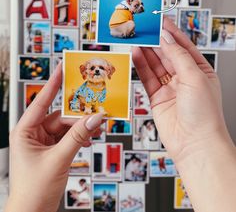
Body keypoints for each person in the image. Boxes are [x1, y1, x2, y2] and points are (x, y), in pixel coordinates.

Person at [4, 17, 236, 212]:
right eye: (91, 68)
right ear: (85, 72)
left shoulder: (105, 89)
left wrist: (200, 142)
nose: (95, 71)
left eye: (100, 69)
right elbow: (82, 101)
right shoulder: (85, 89)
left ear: (108, 72)